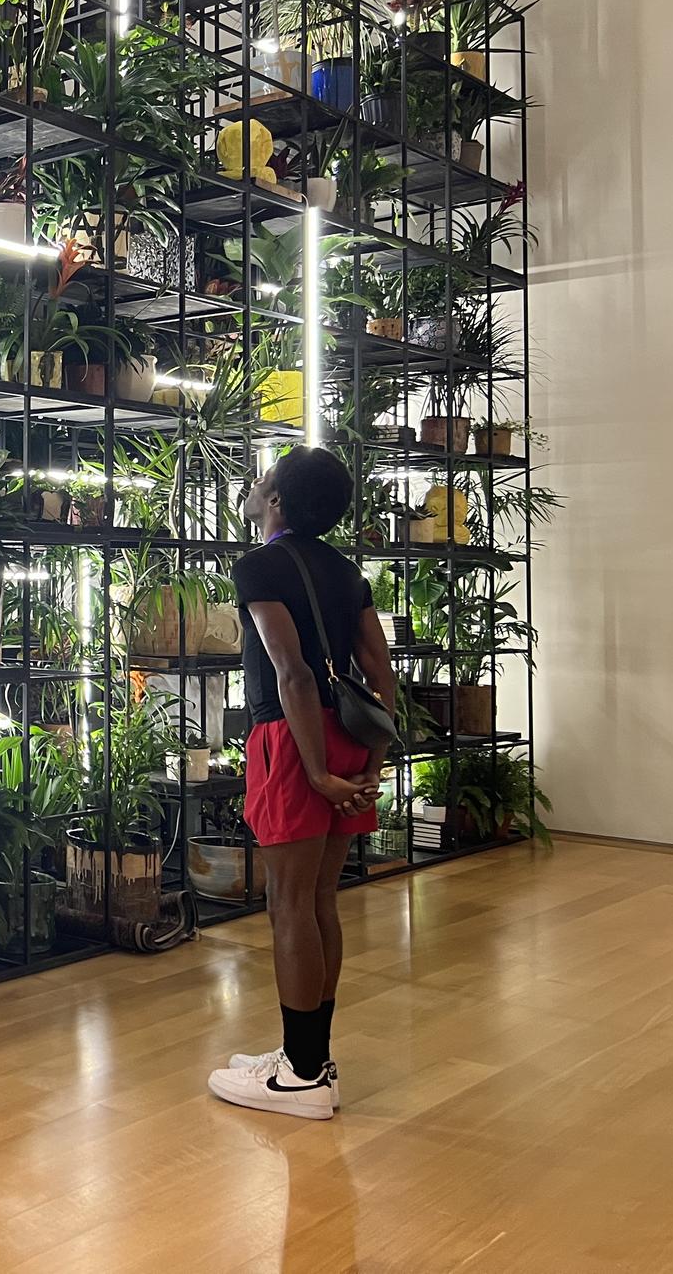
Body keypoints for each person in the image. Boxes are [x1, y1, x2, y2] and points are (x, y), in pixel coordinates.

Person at [206, 447, 395, 1121]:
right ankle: (309, 1056)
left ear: (278, 501)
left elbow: (292, 673)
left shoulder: (259, 565)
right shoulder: (348, 573)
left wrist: (312, 769)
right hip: (345, 737)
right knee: (319, 899)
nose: (254, 486)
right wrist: (371, 761)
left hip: (291, 739)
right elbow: (381, 674)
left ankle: (303, 1076)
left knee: (288, 902)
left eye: (264, 479)